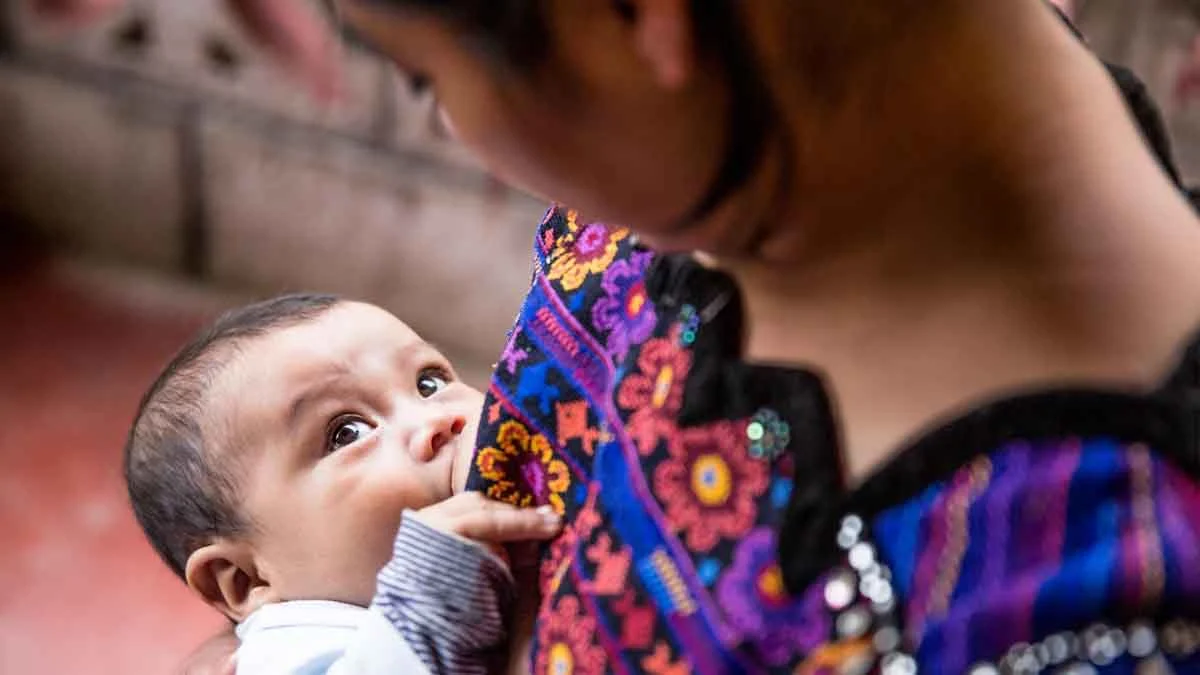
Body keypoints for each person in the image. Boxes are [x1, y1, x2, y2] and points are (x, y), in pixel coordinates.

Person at [51, 0, 1200, 672]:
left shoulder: (1094, 602)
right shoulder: (688, 180)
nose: (459, 129)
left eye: (425, 73)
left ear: (646, 17)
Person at [125, 293, 561, 674]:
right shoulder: (288, 654)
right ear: (247, 580)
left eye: (430, 382)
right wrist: (425, 597)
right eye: (347, 432)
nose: (437, 420)